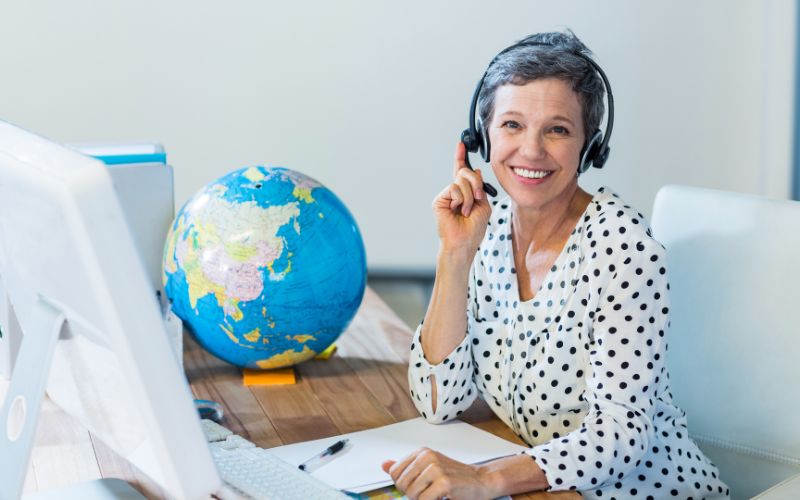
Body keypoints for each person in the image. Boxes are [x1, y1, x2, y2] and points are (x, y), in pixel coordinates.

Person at [381, 30, 730, 500]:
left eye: (558, 129)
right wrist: (455, 254)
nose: (531, 150)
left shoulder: (624, 251)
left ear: (590, 147)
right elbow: (438, 402)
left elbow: (623, 432)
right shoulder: (486, 227)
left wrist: (488, 479)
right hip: (541, 483)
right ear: (480, 136)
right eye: (512, 125)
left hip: (640, 488)